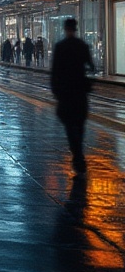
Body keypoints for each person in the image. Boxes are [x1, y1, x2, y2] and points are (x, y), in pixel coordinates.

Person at [50, 17, 96, 173]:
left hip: (66, 92)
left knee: (70, 126)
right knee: (80, 124)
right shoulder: (82, 45)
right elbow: (91, 66)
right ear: (75, 28)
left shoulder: (60, 47)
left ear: (65, 29)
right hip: (80, 92)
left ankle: (77, 155)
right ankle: (79, 154)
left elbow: (55, 71)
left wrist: (56, 91)